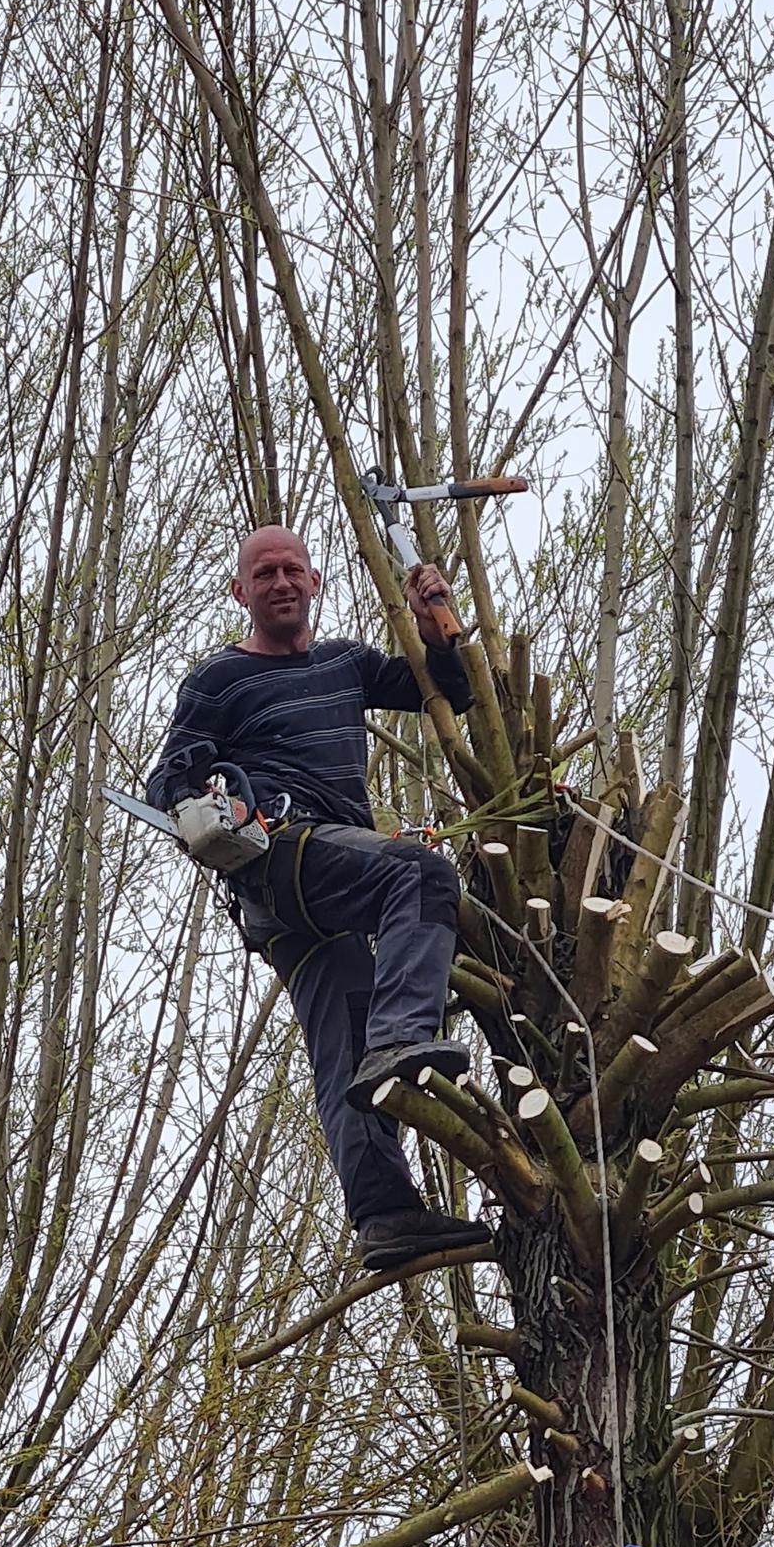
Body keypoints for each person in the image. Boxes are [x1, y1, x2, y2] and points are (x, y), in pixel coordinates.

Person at [145, 524, 489, 1273]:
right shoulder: (218, 680)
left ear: (314, 582)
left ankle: (384, 1215)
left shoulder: (345, 664)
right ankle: (403, 1035)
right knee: (419, 874)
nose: (279, 583)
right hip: (281, 853)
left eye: (291, 570)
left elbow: (447, 692)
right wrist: (211, 811)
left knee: (345, 1050)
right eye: (262, 574)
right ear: (241, 592)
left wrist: (436, 617)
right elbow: (166, 781)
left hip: (319, 884)